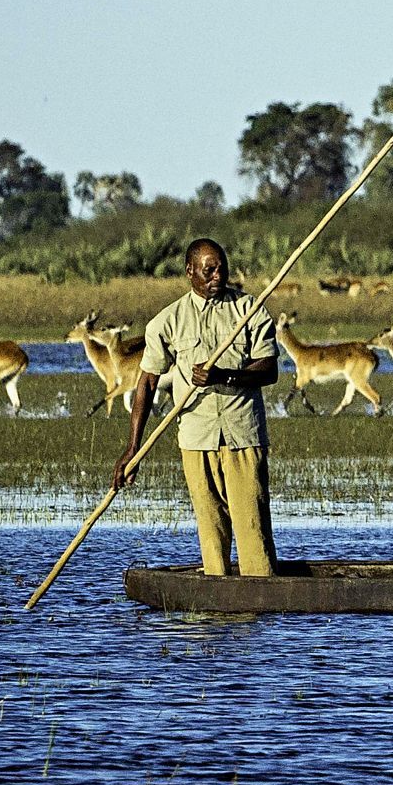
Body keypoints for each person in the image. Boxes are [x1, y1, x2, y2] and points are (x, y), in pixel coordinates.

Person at [112, 238, 281, 577]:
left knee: (252, 527)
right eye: (209, 270)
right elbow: (146, 383)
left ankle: (259, 602)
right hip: (196, 437)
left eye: (222, 268)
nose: (218, 275)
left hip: (242, 435)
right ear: (190, 272)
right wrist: (133, 448)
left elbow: (270, 369)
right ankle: (215, 599)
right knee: (210, 527)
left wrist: (226, 376)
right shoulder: (168, 321)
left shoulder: (249, 309)